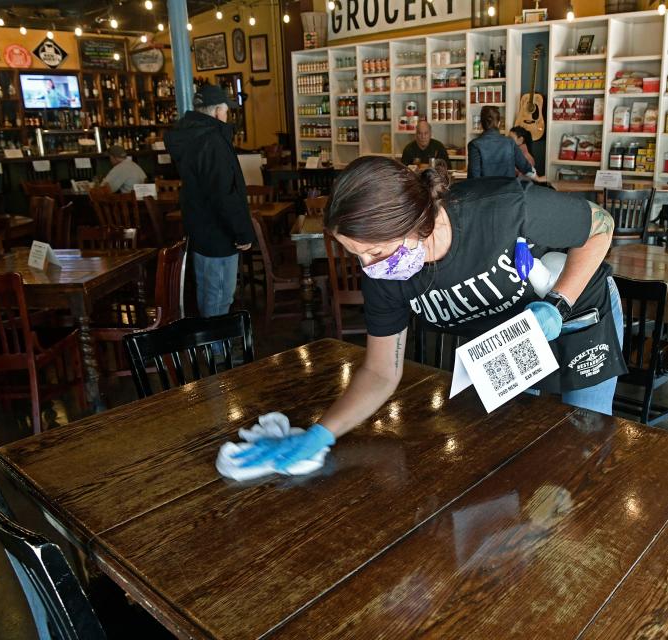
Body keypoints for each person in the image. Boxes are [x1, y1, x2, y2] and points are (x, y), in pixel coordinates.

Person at [234, 156, 626, 472]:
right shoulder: (386, 275)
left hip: (577, 314)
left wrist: (558, 303)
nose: (369, 267)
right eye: (357, 255)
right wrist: (322, 432)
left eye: (375, 252)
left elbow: (599, 227)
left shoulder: (504, 208)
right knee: (523, 444)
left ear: (416, 222)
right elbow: (380, 371)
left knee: (583, 441)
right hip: (513, 338)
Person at [165, 84, 254, 320]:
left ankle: (213, 348)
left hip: (201, 228)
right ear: (216, 112)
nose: (227, 116)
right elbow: (224, 192)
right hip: (220, 233)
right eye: (226, 111)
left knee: (209, 293)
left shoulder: (189, 137)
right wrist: (242, 232)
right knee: (220, 296)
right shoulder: (212, 141)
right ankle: (216, 352)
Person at [468, 106, 536, 179]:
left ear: (481, 124)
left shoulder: (474, 144)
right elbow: (525, 167)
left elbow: (474, 176)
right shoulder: (510, 142)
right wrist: (537, 178)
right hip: (509, 189)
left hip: (486, 189)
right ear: (499, 123)